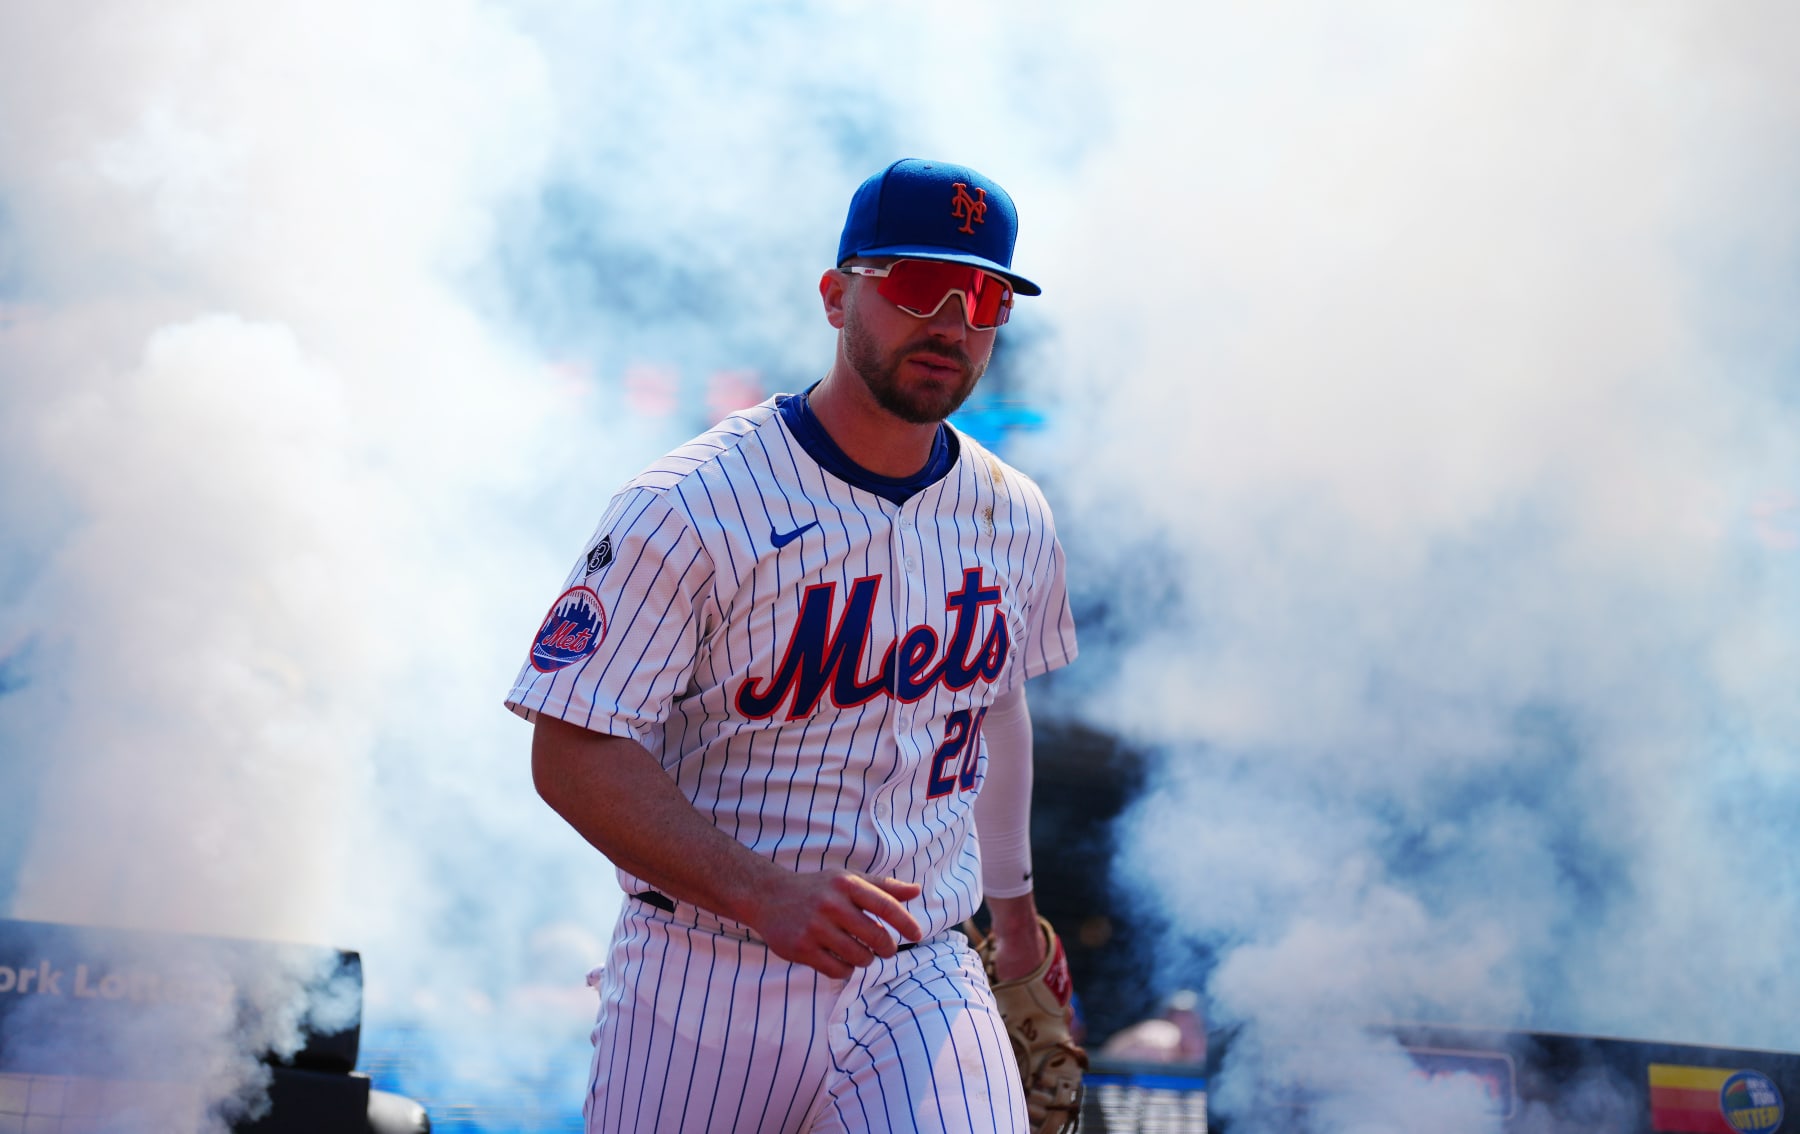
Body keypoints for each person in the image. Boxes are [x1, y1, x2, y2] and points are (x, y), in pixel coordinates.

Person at [507, 158, 1078, 1133]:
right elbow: (570, 750)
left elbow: (993, 705)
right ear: (835, 295)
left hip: (925, 972)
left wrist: (1014, 920)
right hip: (707, 974)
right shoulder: (689, 505)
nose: (948, 317)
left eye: (982, 294)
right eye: (912, 283)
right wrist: (764, 893)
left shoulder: (1014, 514)